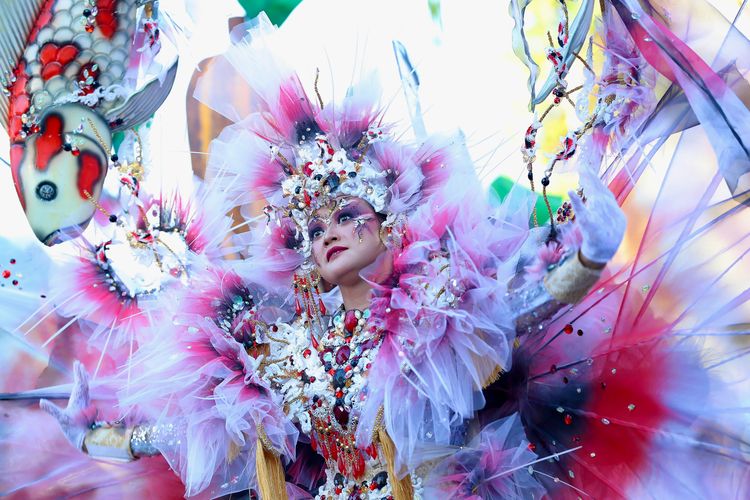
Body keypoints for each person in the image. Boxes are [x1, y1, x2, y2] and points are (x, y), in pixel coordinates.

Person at [25, 3, 750, 499]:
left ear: (385, 212)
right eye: (308, 231)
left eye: (343, 213)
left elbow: (521, 305)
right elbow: (181, 428)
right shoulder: (279, 347)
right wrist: (103, 435)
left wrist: (586, 258)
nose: (328, 232)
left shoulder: (437, 305)